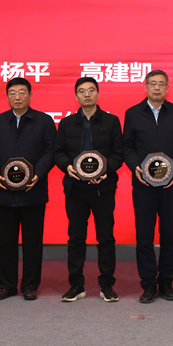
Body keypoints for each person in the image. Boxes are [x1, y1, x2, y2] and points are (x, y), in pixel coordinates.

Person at [0, 77, 56, 301]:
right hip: (5, 191)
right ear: (7, 97)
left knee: (33, 241)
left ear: (30, 95)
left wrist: (37, 174)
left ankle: (30, 285)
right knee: (6, 242)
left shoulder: (44, 121)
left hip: (33, 191)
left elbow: (51, 151)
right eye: (12, 93)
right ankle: (6, 286)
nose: (17, 97)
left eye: (22, 92)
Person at [123, 70, 173, 303]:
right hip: (143, 185)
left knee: (168, 234)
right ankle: (148, 284)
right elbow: (127, 146)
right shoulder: (132, 113)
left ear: (167, 88)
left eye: (161, 84)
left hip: (171, 185)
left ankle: (166, 281)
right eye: (152, 83)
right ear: (145, 87)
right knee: (144, 235)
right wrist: (136, 167)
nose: (156, 87)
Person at [54, 77, 123, 302]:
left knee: (105, 237)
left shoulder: (111, 121)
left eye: (91, 90)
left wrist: (106, 170)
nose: (87, 94)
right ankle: (76, 285)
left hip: (103, 188)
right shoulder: (67, 123)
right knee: (76, 238)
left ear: (98, 94)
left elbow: (118, 153)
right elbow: (58, 152)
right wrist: (67, 166)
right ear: (76, 96)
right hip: (76, 188)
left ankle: (107, 285)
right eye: (82, 91)